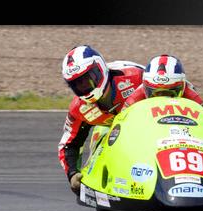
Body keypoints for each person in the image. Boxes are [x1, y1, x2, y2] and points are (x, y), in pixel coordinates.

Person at [58, 45, 144, 194]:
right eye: (77, 84)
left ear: (100, 69)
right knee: (100, 133)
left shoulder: (136, 77)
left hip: (152, 127)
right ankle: (102, 183)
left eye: (88, 79)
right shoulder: (79, 108)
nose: (85, 86)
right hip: (118, 135)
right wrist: (72, 174)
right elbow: (68, 144)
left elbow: (177, 88)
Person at [123, 54, 203, 109]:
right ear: (145, 87)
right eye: (156, 93)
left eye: (169, 93)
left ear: (182, 86)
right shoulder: (137, 95)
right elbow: (122, 118)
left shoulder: (190, 93)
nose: (162, 98)